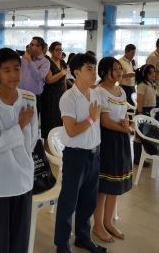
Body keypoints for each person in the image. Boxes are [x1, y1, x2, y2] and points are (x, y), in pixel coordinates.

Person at [0, 47, 38, 253]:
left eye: (17, 69)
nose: (13, 75)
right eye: (7, 70)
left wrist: (17, 149)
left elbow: (33, 139)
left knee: (20, 238)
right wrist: (19, 126)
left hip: (23, 178)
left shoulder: (30, 98)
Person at [54, 52, 107, 253]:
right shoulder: (68, 98)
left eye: (94, 68)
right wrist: (92, 118)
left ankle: (83, 238)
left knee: (88, 201)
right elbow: (71, 130)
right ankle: (62, 244)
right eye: (89, 69)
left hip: (95, 153)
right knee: (69, 202)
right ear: (76, 72)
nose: (94, 72)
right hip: (76, 156)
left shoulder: (95, 94)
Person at [92, 57, 132, 243]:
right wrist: (125, 128)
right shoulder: (99, 91)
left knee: (114, 185)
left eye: (120, 69)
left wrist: (126, 123)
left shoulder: (121, 91)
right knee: (104, 187)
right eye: (115, 69)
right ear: (104, 71)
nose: (119, 72)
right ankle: (98, 225)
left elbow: (122, 115)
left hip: (120, 139)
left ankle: (108, 222)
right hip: (107, 140)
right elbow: (105, 121)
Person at [41, 42, 67, 142]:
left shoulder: (63, 63)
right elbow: (49, 79)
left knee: (59, 122)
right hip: (50, 96)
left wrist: (66, 94)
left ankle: (56, 147)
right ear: (51, 51)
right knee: (49, 122)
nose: (60, 52)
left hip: (61, 95)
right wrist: (61, 73)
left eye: (61, 49)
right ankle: (47, 149)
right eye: (57, 50)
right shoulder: (47, 62)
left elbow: (64, 80)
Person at [19, 36, 51, 114]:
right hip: (20, 94)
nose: (32, 47)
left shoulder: (45, 62)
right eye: (31, 44)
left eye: (36, 45)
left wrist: (30, 61)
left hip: (33, 97)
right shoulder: (24, 58)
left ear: (42, 48)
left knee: (32, 123)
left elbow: (39, 77)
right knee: (18, 120)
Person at [133, 64, 157, 166]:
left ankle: (146, 155)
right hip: (143, 111)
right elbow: (140, 100)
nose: (154, 74)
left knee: (147, 135)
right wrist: (140, 113)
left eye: (154, 72)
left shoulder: (151, 84)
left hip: (151, 111)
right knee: (139, 136)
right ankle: (137, 159)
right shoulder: (142, 85)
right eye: (151, 72)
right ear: (146, 74)